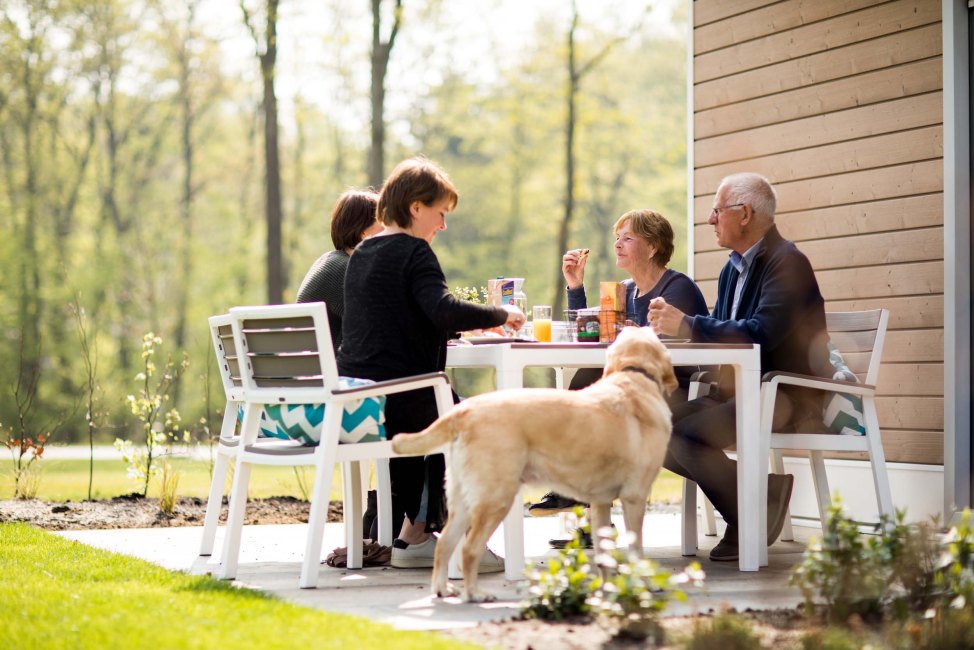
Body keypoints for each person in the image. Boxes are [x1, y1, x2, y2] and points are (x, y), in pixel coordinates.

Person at [337, 157, 525, 570]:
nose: (442, 225)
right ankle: (464, 543)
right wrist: (501, 315)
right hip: (405, 399)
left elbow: (396, 321)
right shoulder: (414, 252)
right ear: (416, 207)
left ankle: (414, 537)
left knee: (448, 404)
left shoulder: (364, 252)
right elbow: (442, 309)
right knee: (481, 425)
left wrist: (458, 330)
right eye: (440, 213)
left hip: (360, 399)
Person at [648, 172, 832, 562]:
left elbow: (760, 333)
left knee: (689, 436)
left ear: (744, 213)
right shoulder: (732, 268)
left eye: (717, 210)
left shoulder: (789, 263)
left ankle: (748, 514)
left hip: (788, 396)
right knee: (652, 427)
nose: (710, 219)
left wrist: (687, 324)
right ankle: (761, 498)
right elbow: (725, 335)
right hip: (740, 391)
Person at [529, 209, 709, 518]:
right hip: (631, 389)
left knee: (596, 404)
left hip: (674, 391)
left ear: (653, 247)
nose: (617, 244)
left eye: (628, 238)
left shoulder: (676, 288)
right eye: (616, 238)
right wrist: (575, 286)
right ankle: (586, 507)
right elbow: (591, 333)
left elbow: (663, 353)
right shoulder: (624, 290)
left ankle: (579, 497)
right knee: (588, 379)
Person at [296, 189, 382, 351]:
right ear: (365, 233)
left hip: (311, 371)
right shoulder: (345, 270)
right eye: (384, 224)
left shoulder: (330, 262)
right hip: (333, 374)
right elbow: (380, 326)